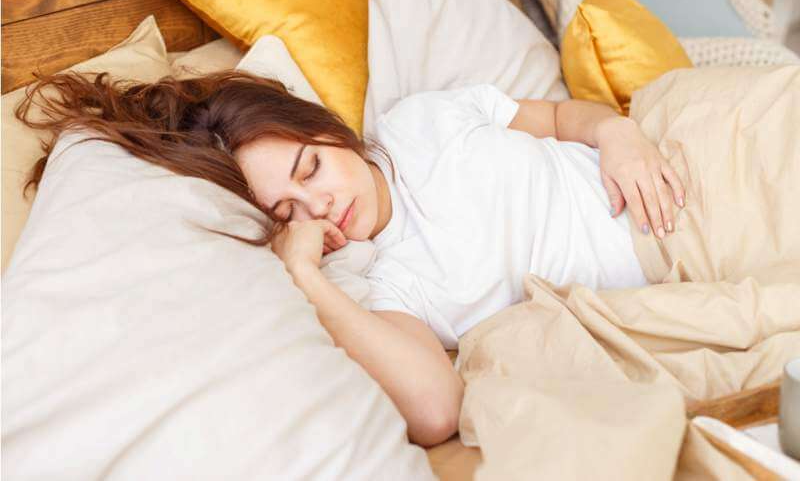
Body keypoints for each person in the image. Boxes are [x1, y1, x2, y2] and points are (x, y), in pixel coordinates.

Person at [18, 69, 684, 447]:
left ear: (331, 133)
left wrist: (620, 133)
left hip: (679, 156)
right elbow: (434, 410)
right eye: (286, 213)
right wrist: (306, 275)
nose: (319, 207)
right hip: (674, 254)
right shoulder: (375, 282)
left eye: (311, 168)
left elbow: (565, 117)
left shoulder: (422, 120)